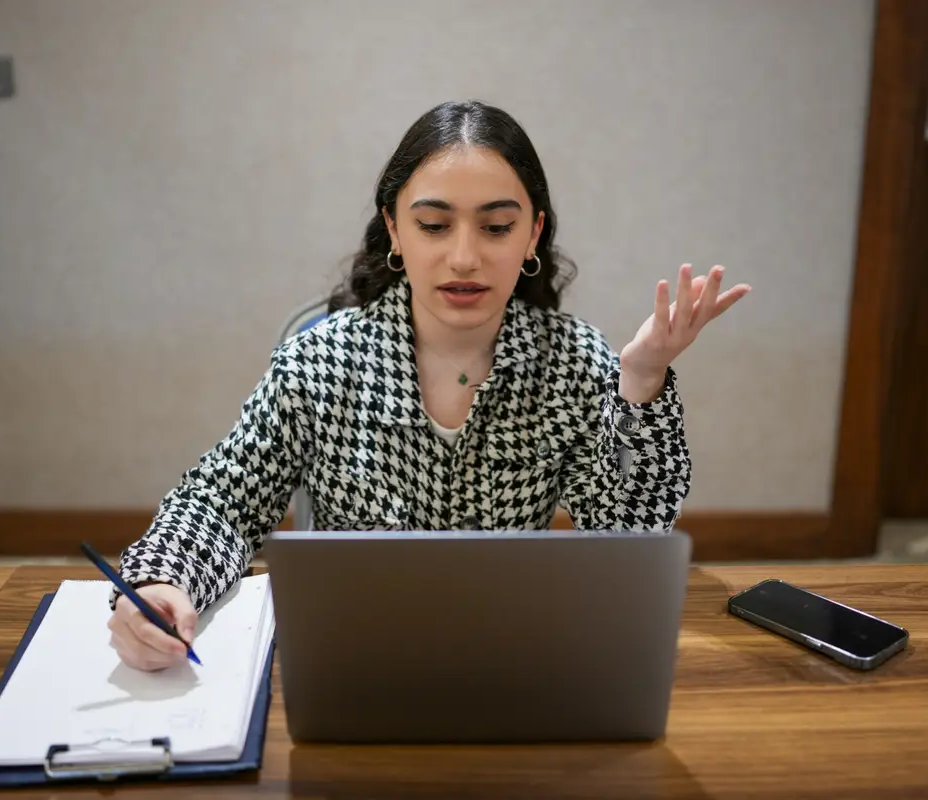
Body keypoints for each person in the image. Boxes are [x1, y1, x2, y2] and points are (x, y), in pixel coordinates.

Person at [107, 100, 749, 671]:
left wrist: (639, 379)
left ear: (533, 234)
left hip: (513, 656)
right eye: (434, 225)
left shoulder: (573, 362)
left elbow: (628, 543)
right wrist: (166, 584)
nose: (464, 257)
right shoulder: (321, 361)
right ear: (394, 229)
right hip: (354, 657)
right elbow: (221, 501)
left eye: (496, 227)